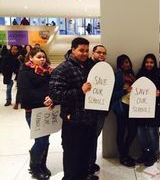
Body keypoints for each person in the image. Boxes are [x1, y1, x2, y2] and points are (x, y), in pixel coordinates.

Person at [49, 37, 98, 180]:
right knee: (72, 155)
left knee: (86, 153)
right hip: (73, 120)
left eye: (86, 51)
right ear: (73, 50)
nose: (84, 53)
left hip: (89, 119)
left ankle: (84, 176)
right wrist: (80, 91)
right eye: (81, 50)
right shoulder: (63, 69)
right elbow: (55, 94)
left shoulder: (89, 66)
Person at [18, 48, 53, 180]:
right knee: (41, 140)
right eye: (39, 57)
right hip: (33, 112)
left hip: (47, 111)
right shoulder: (25, 71)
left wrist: (52, 98)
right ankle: (34, 168)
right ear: (31, 58)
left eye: (43, 57)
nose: (42, 59)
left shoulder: (48, 72)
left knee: (46, 140)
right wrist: (45, 99)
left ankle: (42, 165)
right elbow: (26, 93)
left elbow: (52, 88)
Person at [85, 45, 109, 175]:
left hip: (100, 111)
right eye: (99, 52)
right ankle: (87, 166)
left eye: (104, 53)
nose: (101, 55)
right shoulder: (86, 67)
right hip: (88, 111)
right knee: (88, 138)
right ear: (92, 53)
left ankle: (91, 163)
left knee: (94, 137)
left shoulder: (106, 69)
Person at [136, 53, 160, 167]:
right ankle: (145, 153)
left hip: (154, 109)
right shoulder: (140, 74)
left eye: (151, 62)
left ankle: (153, 154)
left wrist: (159, 93)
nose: (149, 64)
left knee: (152, 132)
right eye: (147, 62)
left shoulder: (159, 74)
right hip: (140, 109)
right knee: (141, 132)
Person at [112, 54, 137, 167]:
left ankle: (125, 152)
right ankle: (123, 156)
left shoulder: (132, 75)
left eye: (127, 62)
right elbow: (112, 94)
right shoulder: (118, 75)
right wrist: (124, 91)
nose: (125, 64)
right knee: (121, 132)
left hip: (133, 108)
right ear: (119, 65)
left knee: (132, 132)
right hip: (122, 107)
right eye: (123, 63)